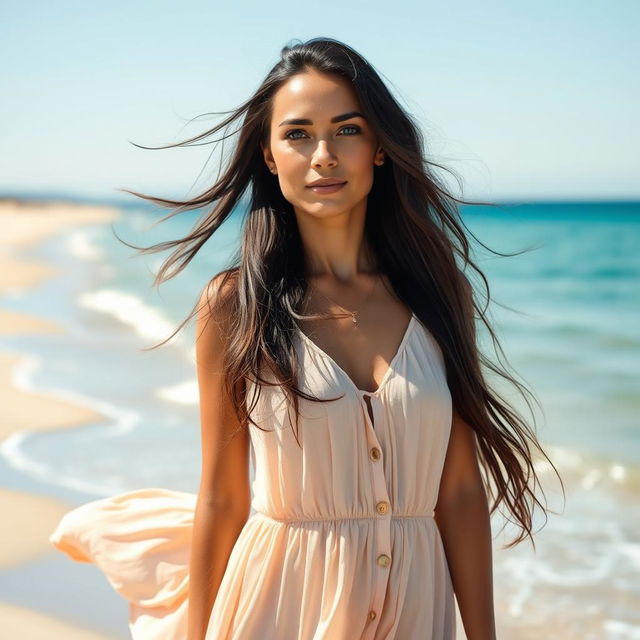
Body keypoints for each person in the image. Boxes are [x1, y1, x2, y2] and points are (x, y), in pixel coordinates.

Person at [50, 37, 563, 640]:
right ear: (269, 156)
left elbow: (458, 493)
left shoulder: (437, 295)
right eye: (298, 134)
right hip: (279, 610)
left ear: (378, 148)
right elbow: (222, 496)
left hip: (416, 617)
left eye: (347, 130)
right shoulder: (234, 307)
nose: (323, 155)